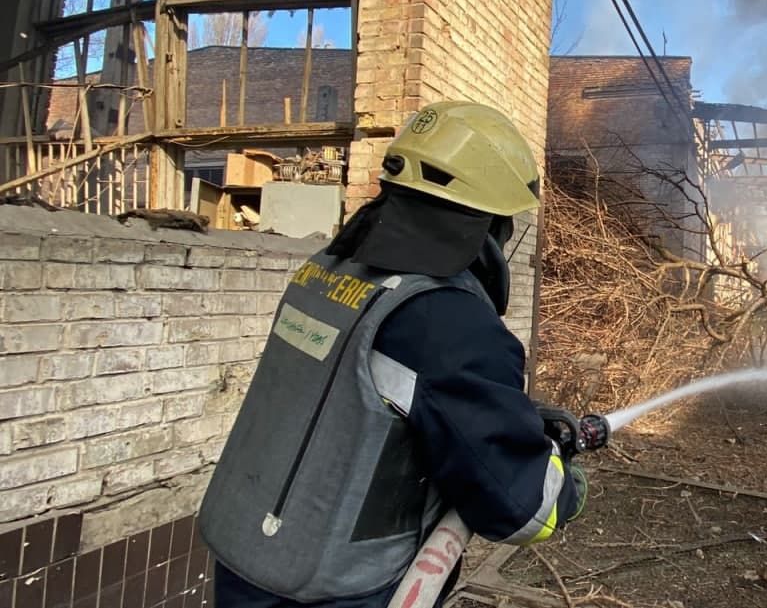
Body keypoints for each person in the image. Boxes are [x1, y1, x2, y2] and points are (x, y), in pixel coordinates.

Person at [198, 102, 587, 608]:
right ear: (486, 225)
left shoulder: (329, 272)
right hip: (333, 587)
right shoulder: (448, 321)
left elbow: (369, 396)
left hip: (244, 555)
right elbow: (521, 507)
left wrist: (507, 416)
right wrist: (564, 479)